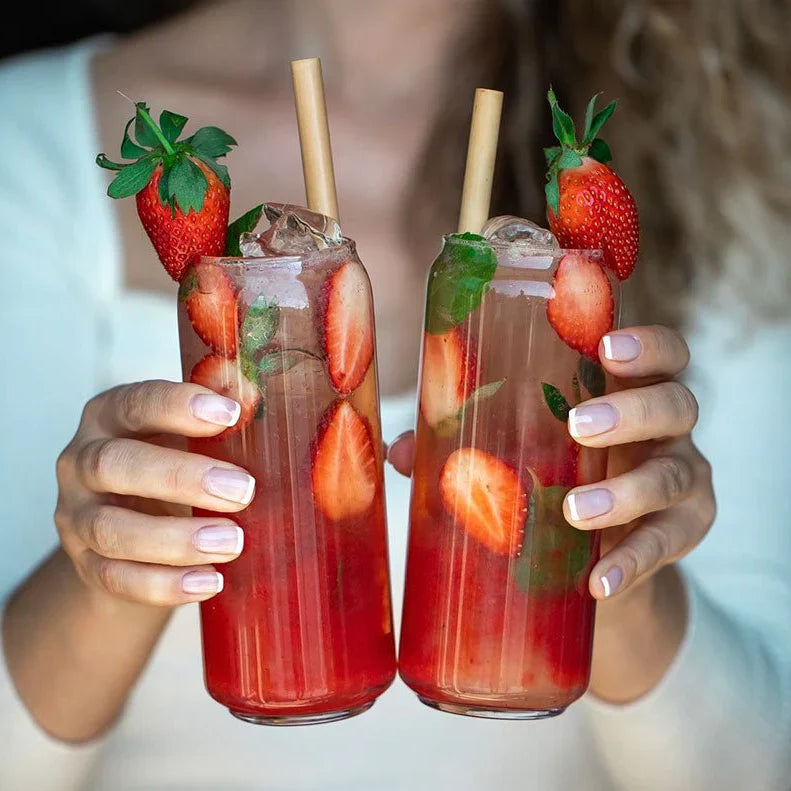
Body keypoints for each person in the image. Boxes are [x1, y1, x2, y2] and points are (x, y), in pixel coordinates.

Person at [1, 1, 789, 789]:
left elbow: (757, 770)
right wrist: (103, 577)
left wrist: (615, 573)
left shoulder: (719, 155)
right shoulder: (27, 144)